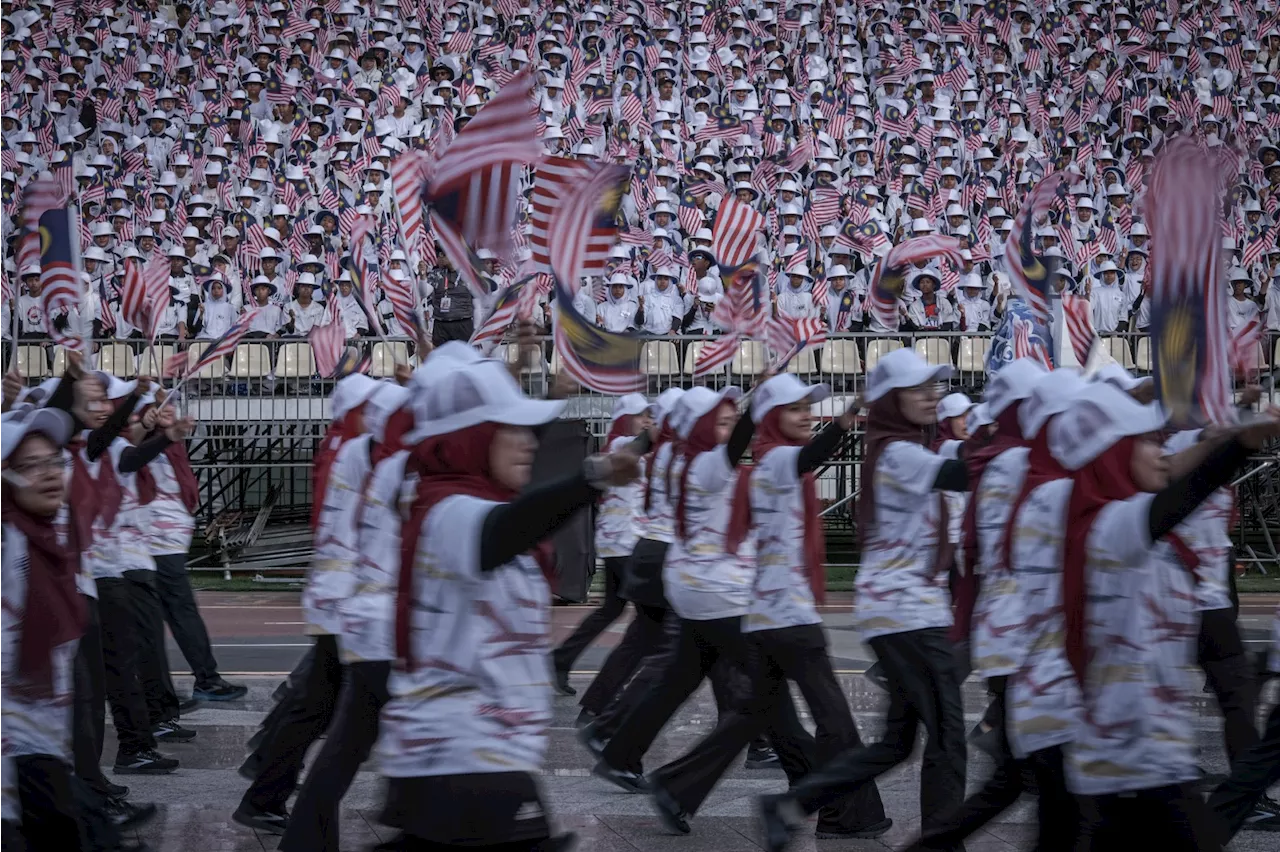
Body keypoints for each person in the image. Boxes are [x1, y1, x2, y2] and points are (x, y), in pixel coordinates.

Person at [375, 343, 640, 850]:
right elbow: (508, 529)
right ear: (473, 438)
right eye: (509, 429)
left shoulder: (474, 499)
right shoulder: (446, 512)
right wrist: (595, 476)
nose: (528, 444)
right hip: (460, 753)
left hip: (480, 752)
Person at [1051, 385, 1280, 849]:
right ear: (1112, 455)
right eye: (1146, 443)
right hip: (1128, 762)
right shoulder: (1108, 529)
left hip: (1149, 755)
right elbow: (1182, 496)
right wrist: (1241, 444)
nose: (1161, 454)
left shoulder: (1140, 534)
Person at [759, 348, 968, 852]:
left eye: (933, 388)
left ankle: (794, 802)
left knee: (897, 743)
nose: (930, 397)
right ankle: (943, 842)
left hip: (902, 609)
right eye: (917, 389)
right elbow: (960, 475)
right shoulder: (897, 452)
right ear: (890, 401)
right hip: (907, 611)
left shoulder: (903, 447)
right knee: (948, 735)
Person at [721, 374, 892, 841]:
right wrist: (845, 419)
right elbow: (814, 454)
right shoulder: (776, 460)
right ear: (775, 418)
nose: (806, 415)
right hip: (788, 615)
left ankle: (826, 808)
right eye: (796, 409)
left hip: (770, 614)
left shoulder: (770, 461)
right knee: (835, 722)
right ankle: (833, 814)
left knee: (781, 722)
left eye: (808, 408)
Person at [234, 371, 382, 834]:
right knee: (326, 709)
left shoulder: (342, 445)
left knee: (313, 703)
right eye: (373, 409)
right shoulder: (353, 451)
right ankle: (272, 789)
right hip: (345, 600)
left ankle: (267, 783)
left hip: (339, 598)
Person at [278, 380, 410, 852]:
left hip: (360, 611)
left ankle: (288, 814)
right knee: (340, 726)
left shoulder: (365, 454)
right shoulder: (384, 462)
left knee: (340, 731)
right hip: (372, 616)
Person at [0, 405, 85, 851]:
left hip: (45, 733)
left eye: (54, 462)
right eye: (31, 466)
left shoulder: (48, 540)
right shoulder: (6, 539)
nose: (50, 473)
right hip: (15, 746)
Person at [135, 388, 246, 703]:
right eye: (161, 405)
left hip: (167, 541)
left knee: (162, 617)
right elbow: (130, 440)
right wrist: (148, 423)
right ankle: (200, 681)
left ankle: (166, 691)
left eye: (170, 404)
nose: (169, 410)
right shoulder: (142, 441)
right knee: (176, 614)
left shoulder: (170, 444)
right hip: (157, 541)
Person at [551, 393, 653, 696]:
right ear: (624, 418)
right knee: (653, 618)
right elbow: (646, 444)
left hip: (622, 542)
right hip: (624, 543)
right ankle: (627, 680)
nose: (646, 421)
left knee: (611, 609)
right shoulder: (622, 446)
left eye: (648, 415)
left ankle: (561, 658)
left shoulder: (623, 448)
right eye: (640, 416)